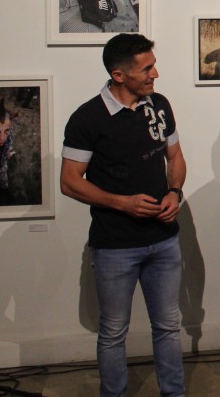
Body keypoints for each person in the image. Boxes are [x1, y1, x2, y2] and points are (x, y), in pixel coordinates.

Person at [60, 34, 187, 397]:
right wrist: (123, 203)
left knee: (167, 326)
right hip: (115, 246)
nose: (155, 74)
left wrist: (174, 192)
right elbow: (69, 183)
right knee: (114, 332)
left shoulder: (159, 105)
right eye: (146, 68)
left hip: (164, 240)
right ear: (119, 74)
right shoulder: (87, 118)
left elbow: (175, 157)